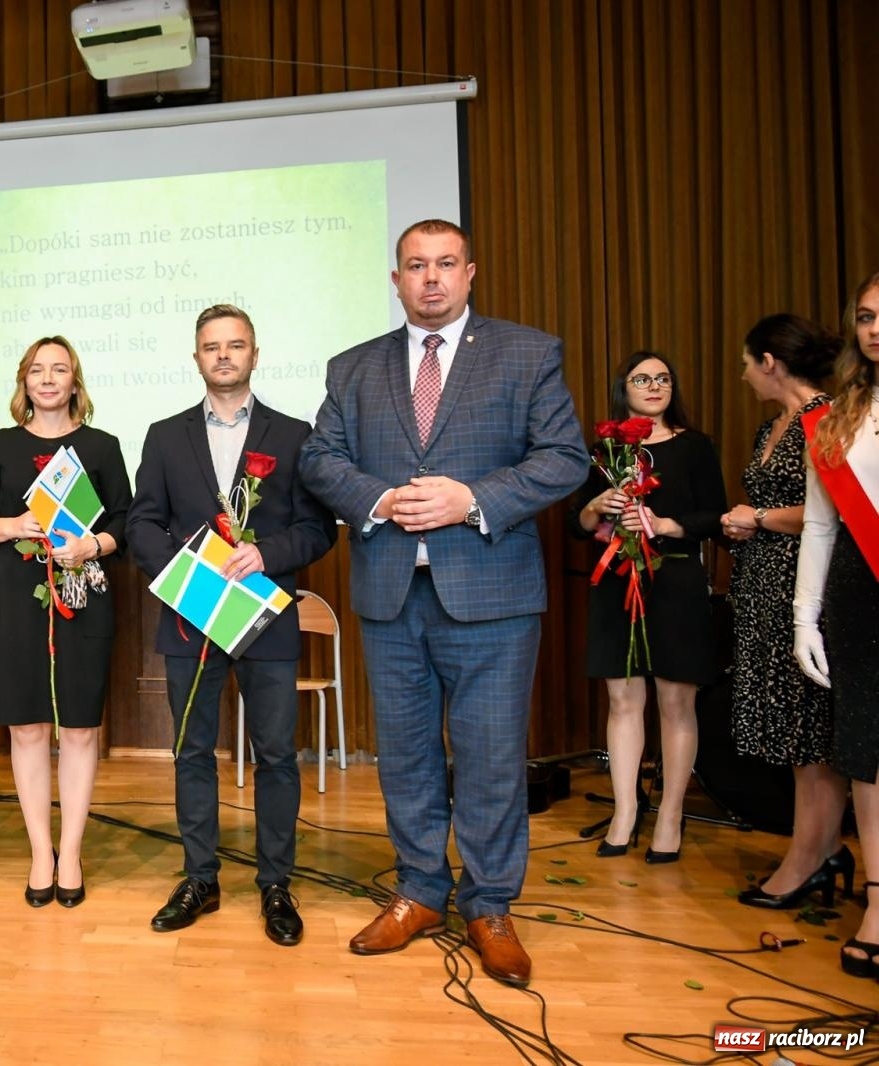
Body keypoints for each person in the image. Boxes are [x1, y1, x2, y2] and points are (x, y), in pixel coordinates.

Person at [297, 219, 587, 986]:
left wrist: (473, 499)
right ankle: (421, 891)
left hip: (493, 594)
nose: (431, 278)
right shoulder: (353, 367)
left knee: (490, 757)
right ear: (396, 280)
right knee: (406, 756)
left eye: (446, 264)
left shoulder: (528, 353)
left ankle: (489, 904)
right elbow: (320, 458)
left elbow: (565, 458)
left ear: (470, 273)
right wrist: (380, 498)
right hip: (392, 594)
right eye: (416, 266)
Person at [126, 304, 337, 947]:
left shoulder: (293, 435)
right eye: (212, 346)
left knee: (275, 754)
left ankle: (276, 884)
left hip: (265, 616)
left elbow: (317, 529)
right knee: (192, 751)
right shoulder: (165, 435)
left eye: (235, 345)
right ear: (196, 357)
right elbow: (141, 522)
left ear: (254, 354)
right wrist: (187, 574)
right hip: (192, 617)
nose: (223, 355)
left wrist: (266, 554)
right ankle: (200, 879)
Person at [0, 336, 131, 908]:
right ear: (25, 382)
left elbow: (126, 523)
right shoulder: (0, 445)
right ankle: (41, 853)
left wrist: (91, 545)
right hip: (16, 600)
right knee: (28, 728)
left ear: (75, 381)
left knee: (79, 729)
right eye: (38, 370)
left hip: (83, 598)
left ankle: (72, 852)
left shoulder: (102, 446)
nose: (49, 378)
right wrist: (14, 526)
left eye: (60, 369)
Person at [572, 353, 726, 863]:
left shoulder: (695, 445)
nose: (655, 385)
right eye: (643, 379)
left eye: (663, 378)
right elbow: (579, 523)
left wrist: (665, 525)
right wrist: (598, 506)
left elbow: (716, 515)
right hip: (616, 580)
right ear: (625, 388)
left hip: (675, 580)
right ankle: (625, 813)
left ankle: (670, 814)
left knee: (676, 703)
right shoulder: (605, 451)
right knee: (622, 701)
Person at [721, 316, 850, 907]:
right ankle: (822, 848)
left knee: (811, 732)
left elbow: (833, 510)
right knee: (792, 731)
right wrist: (745, 524)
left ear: (770, 362)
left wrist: (759, 517)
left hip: (807, 587)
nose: (744, 375)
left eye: (748, 364)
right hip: (762, 587)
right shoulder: (770, 426)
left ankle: (809, 859)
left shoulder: (828, 419)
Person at [793, 270, 879, 978]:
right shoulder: (837, 416)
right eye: (867, 316)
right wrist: (805, 620)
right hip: (858, 594)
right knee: (867, 758)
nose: (875, 329)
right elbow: (820, 526)